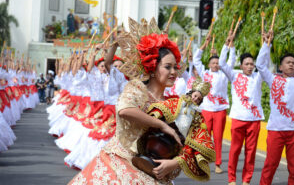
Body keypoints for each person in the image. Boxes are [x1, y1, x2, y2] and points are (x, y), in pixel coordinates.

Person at [68, 18, 215, 184]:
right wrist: (162, 125)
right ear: (153, 67)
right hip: (119, 165)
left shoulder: (175, 103)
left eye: (175, 67)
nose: (174, 72)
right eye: (168, 67)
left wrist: (173, 163)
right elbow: (125, 110)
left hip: (154, 172)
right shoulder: (137, 88)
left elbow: (192, 143)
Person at [219, 35, 267, 185]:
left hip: (254, 120)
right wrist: (227, 47)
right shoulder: (234, 75)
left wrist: (266, 45)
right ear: (241, 66)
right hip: (238, 119)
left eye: (251, 64)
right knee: (235, 151)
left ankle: (246, 180)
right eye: (246, 64)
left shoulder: (258, 77)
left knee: (250, 152)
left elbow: (264, 64)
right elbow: (221, 63)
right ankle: (232, 179)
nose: (250, 66)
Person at [256, 31, 294, 185]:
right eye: (288, 62)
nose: (291, 64)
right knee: (270, 165)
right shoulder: (273, 79)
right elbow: (260, 65)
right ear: (280, 66)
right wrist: (267, 44)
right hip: (276, 130)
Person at [193, 34, 236, 174]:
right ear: (209, 64)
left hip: (220, 110)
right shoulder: (204, 73)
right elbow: (196, 59)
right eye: (213, 63)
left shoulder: (225, 74)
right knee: (204, 137)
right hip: (206, 109)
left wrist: (231, 46)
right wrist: (203, 46)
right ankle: (201, 162)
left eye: (218, 63)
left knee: (218, 138)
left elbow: (231, 61)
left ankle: (218, 164)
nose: (216, 65)